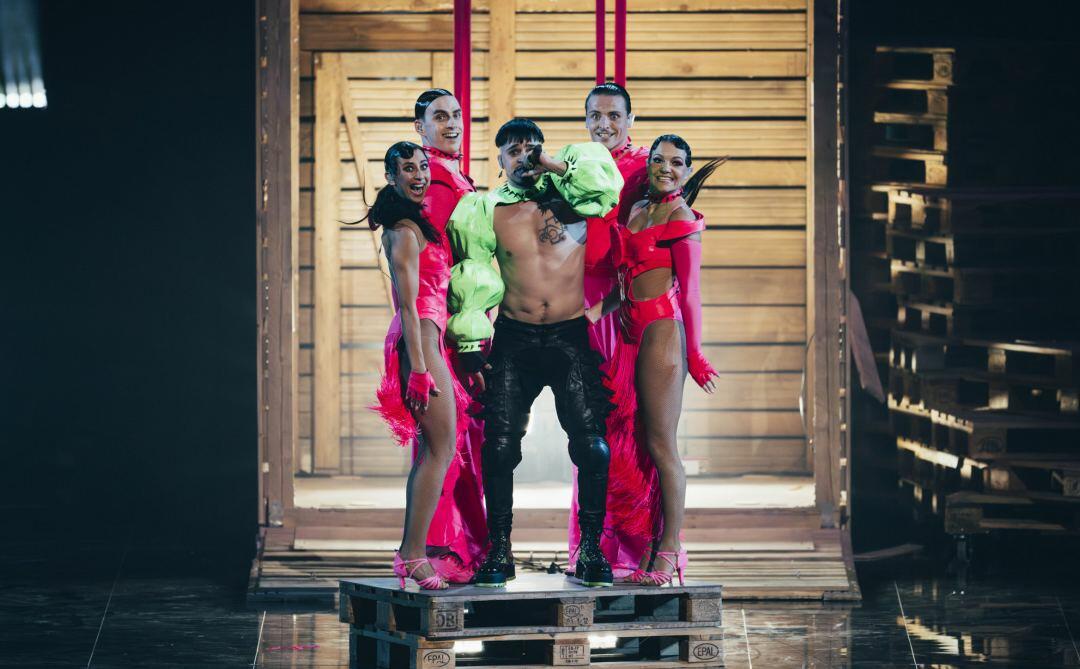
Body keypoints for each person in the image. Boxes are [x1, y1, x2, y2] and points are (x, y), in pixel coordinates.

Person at [446, 118, 623, 587]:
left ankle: (590, 550)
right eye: (514, 151)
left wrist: (552, 164)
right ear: (500, 159)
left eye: (531, 149)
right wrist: (470, 344)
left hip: (568, 335)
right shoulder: (486, 209)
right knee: (500, 448)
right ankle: (499, 550)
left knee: (592, 446)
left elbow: (605, 188)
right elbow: (471, 277)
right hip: (514, 337)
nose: (523, 158)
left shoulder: (573, 198)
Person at [586, 135, 724, 586]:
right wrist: (593, 312)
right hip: (628, 330)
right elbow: (624, 281)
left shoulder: (682, 219)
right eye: (659, 160)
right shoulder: (638, 210)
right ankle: (647, 545)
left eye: (677, 162)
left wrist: (696, 353)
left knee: (662, 445)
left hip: (662, 333)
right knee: (636, 441)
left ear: (687, 170)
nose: (666, 168)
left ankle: (669, 550)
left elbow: (692, 293)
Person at [365, 142, 484, 590]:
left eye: (422, 167)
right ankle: (412, 554)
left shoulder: (417, 224)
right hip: (418, 341)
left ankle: (411, 553)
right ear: (391, 177)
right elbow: (408, 306)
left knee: (438, 448)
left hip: (433, 340)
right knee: (439, 449)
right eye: (408, 169)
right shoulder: (402, 231)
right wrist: (418, 367)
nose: (418, 176)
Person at [568, 83, 652, 579]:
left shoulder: (645, 168)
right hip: (583, 304)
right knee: (589, 426)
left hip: (628, 305)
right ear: (585, 121)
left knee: (632, 422)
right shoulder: (574, 166)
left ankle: (638, 545)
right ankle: (592, 546)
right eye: (595, 116)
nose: (605, 124)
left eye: (614, 115)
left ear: (630, 119)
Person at [410, 89, 488, 585]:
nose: (452, 123)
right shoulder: (434, 179)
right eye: (440, 116)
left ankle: (465, 547)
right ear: (420, 127)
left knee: (461, 441)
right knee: (444, 444)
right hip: (441, 325)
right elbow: (431, 265)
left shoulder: (456, 176)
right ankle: (438, 549)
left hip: (460, 323)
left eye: (457, 114)